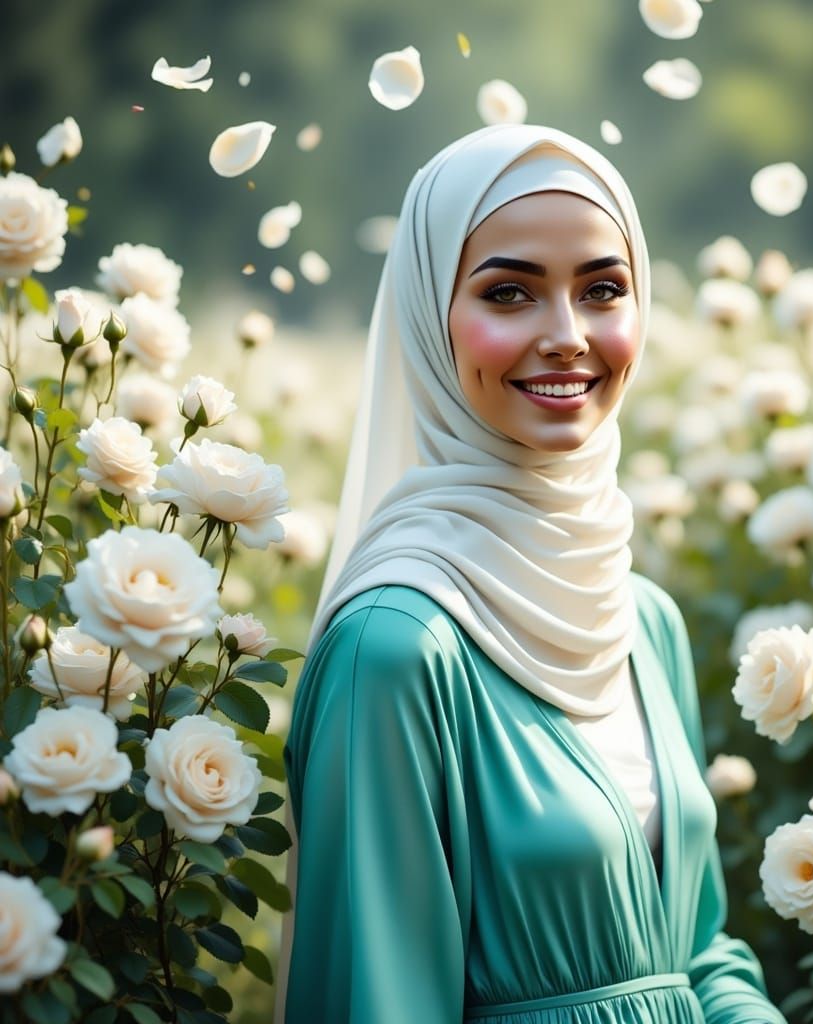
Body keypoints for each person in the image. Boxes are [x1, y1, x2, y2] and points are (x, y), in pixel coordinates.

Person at [276, 123, 785, 1024]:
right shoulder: (393, 648)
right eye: (508, 292)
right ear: (428, 317)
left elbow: (699, 949)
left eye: (603, 290)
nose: (566, 336)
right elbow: (382, 1000)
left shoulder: (640, 617)